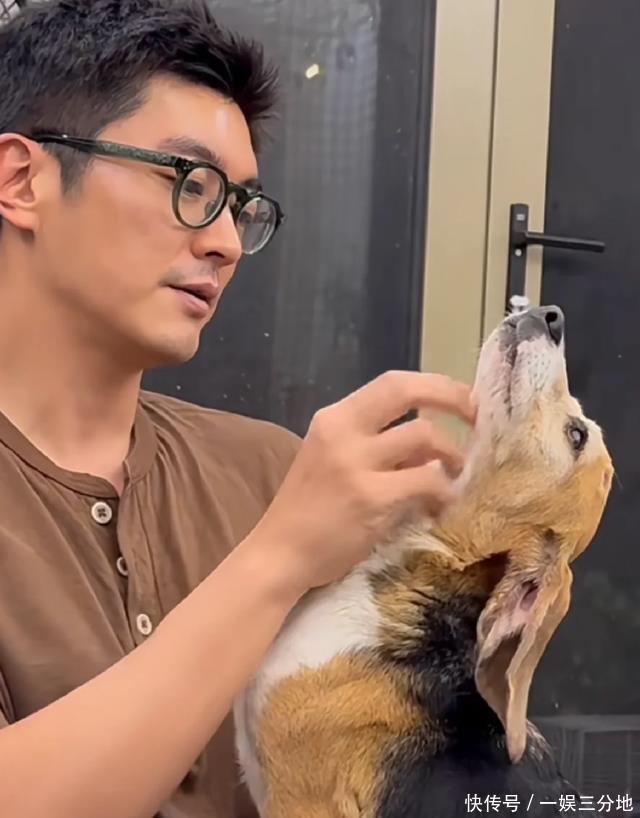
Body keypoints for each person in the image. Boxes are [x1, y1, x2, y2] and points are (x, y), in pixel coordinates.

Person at [0, 1, 476, 817]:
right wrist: (279, 556)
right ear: (21, 180)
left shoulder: (271, 470)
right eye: (189, 184)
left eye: (240, 207)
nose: (224, 241)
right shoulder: (295, 514)